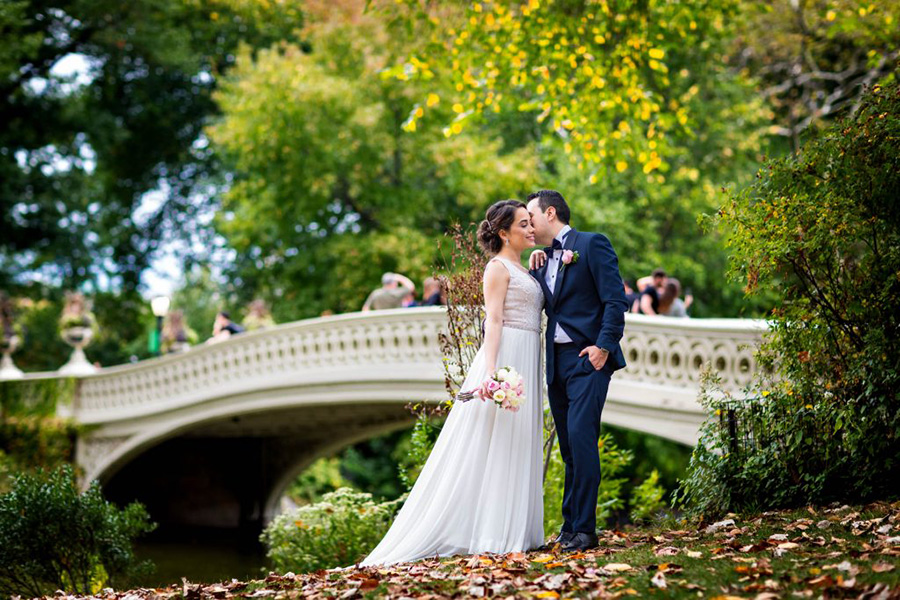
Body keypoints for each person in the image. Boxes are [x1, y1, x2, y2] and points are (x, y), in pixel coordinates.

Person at [360, 200, 544, 566]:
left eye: (530, 223)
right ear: (504, 233)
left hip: (529, 353)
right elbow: (492, 320)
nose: (531, 229)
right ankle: (494, 532)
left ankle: (519, 530)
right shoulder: (496, 268)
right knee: (497, 444)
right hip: (507, 357)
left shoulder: (525, 266)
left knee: (520, 439)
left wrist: (539, 263)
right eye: (523, 224)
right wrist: (491, 373)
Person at [526, 189, 628, 553]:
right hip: (555, 364)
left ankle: (585, 530)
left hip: (589, 359)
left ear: (550, 213)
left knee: (583, 440)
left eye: (531, 217)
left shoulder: (592, 244)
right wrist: (532, 269)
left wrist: (603, 348)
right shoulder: (539, 260)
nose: (528, 225)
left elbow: (616, 300)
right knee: (569, 447)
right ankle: (569, 528)